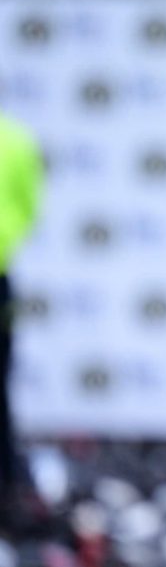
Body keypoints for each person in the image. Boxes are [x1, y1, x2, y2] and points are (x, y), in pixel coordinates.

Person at [0, 111, 43, 504]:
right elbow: (27, 210)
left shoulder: (15, 139)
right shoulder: (16, 137)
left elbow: (28, 208)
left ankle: (10, 483)